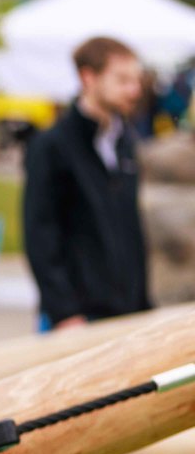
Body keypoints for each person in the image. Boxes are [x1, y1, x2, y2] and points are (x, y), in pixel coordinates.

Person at [23, 36, 150, 330]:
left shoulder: (125, 144)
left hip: (126, 315)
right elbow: (40, 235)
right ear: (88, 77)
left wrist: (142, 303)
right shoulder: (51, 146)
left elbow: (130, 231)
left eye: (136, 80)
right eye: (122, 80)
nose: (134, 90)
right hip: (76, 320)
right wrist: (64, 313)